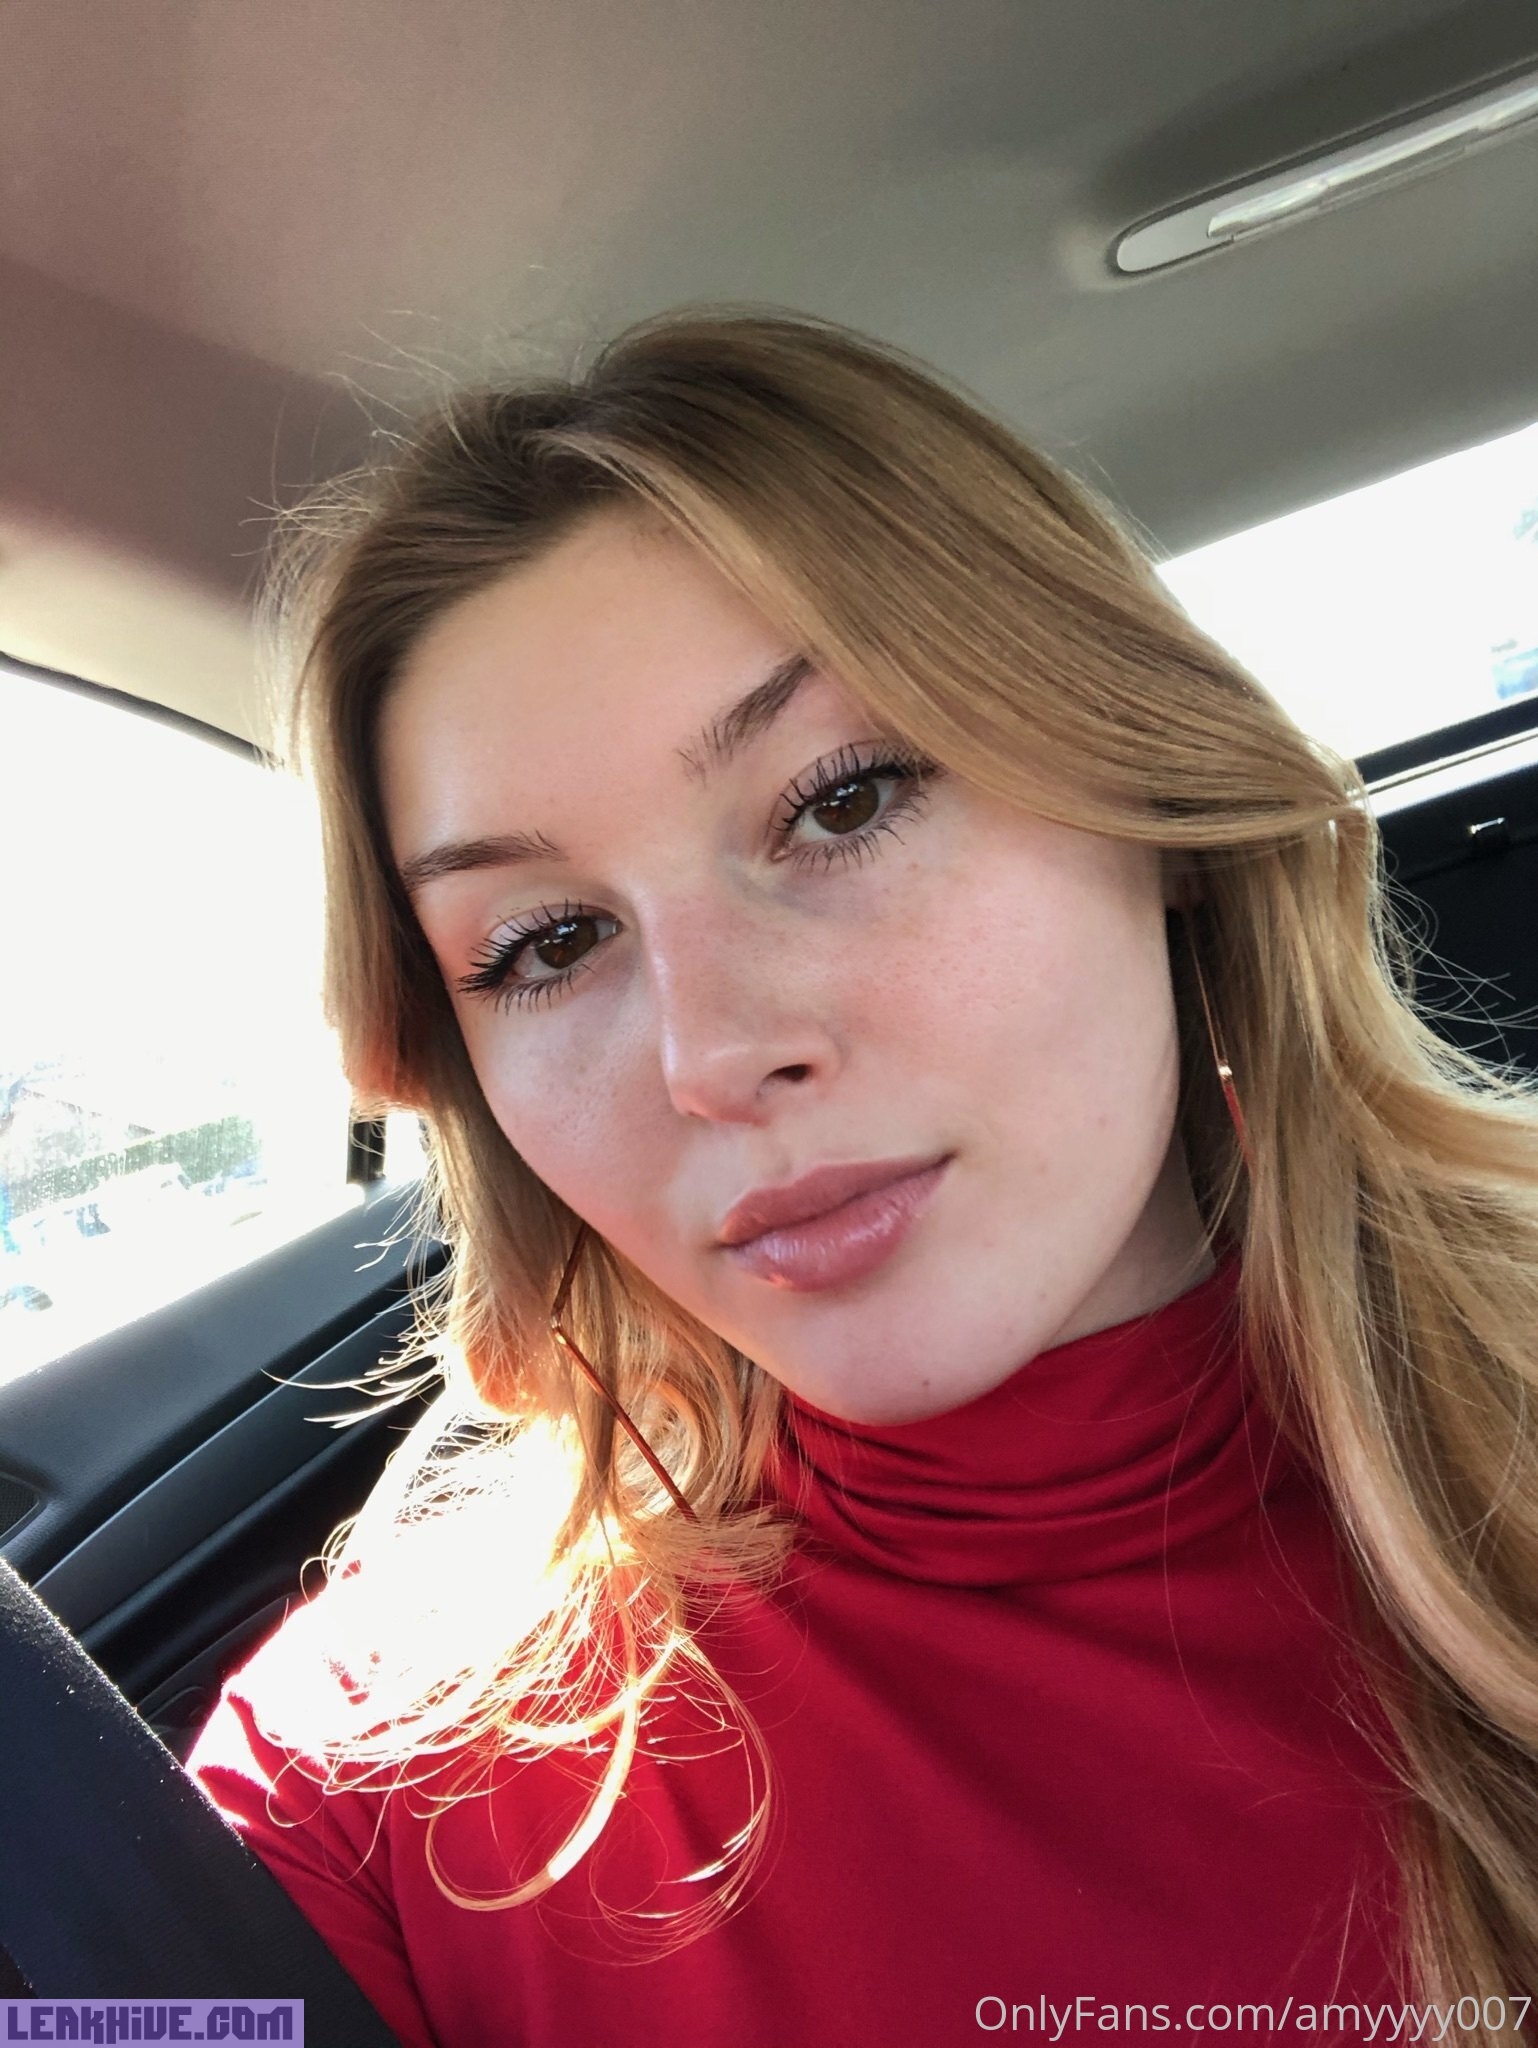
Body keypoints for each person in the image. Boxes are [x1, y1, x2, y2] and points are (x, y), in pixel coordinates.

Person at [187, 307, 1538, 2046]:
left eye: (841, 802)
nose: (708, 1055)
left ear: (1150, 801)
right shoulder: (375, 1777)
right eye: (546, 943)